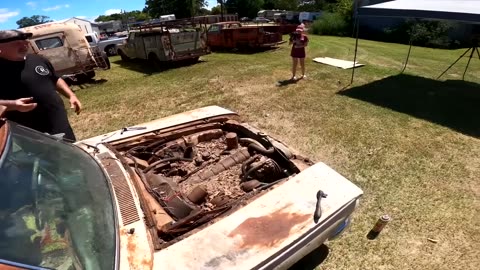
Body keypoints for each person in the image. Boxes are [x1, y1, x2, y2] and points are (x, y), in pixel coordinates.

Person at [0, 29, 82, 141]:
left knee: (69, 147)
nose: (25, 45)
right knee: (43, 156)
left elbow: (54, 78)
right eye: (17, 43)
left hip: (56, 117)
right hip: (26, 126)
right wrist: (14, 105)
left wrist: (71, 95)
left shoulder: (37, 59)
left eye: (26, 41)